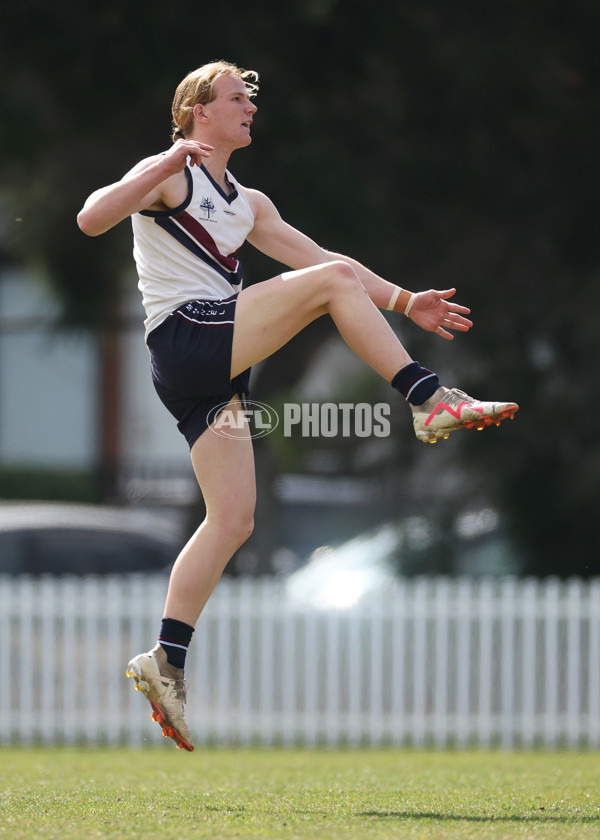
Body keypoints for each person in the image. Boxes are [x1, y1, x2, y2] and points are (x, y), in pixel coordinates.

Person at [77, 60, 518, 751]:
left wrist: (406, 300)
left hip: (207, 368)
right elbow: (90, 217)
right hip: (190, 340)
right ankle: (429, 398)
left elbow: (322, 260)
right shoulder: (169, 174)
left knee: (233, 521)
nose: (249, 109)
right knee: (331, 284)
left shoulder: (248, 202)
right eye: (234, 100)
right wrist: (158, 163)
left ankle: (165, 660)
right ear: (198, 112)